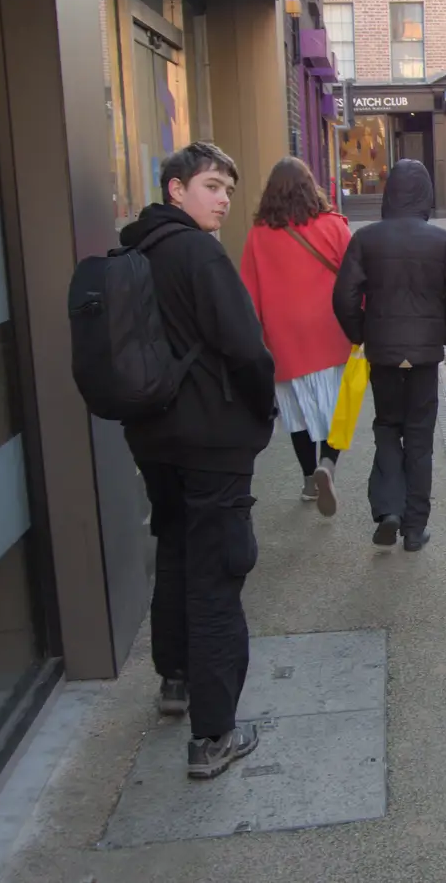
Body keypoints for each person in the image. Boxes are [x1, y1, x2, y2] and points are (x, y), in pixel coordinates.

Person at [119, 141, 275, 779]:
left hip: (153, 435)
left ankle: (175, 680)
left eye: (229, 191)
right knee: (218, 574)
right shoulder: (198, 255)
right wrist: (262, 410)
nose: (223, 201)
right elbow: (247, 347)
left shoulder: (133, 252)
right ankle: (215, 736)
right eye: (212, 186)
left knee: (178, 550)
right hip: (212, 439)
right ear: (175, 189)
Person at [333, 159, 446, 552]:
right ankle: (414, 527)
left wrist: (362, 333)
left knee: (387, 427)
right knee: (420, 438)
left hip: (384, 353)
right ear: (426, 194)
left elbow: (343, 296)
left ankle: (388, 508)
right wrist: (439, 334)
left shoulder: (366, 239)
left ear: (389, 193)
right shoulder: (443, 242)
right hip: (424, 357)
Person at [240, 157, 353, 516]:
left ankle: (308, 478)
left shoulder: (258, 236)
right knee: (343, 404)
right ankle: (328, 465)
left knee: (296, 413)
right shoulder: (334, 227)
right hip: (331, 332)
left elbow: (247, 295)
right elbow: (355, 279)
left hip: (283, 341)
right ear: (310, 187)